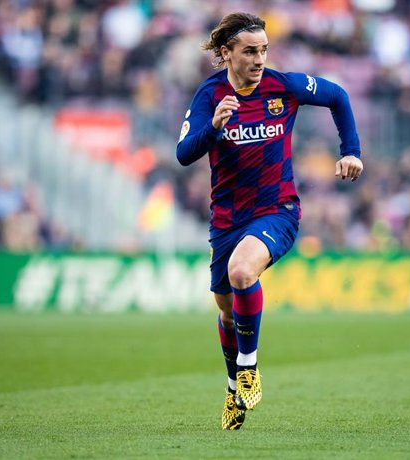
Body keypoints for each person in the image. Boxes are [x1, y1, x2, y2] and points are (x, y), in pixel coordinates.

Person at [176, 12, 363, 430]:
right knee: (226, 313)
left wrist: (351, 149)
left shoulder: (284, 86)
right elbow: (184, 152)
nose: (259, 59)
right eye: (250, 51)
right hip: (226, 220)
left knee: (242, 272)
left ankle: (249, 367)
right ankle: (232, 390)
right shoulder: (209, 96)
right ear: (226, 53)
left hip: (277, 210)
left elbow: (338, 97)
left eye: (263, 50)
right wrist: (213, 127)